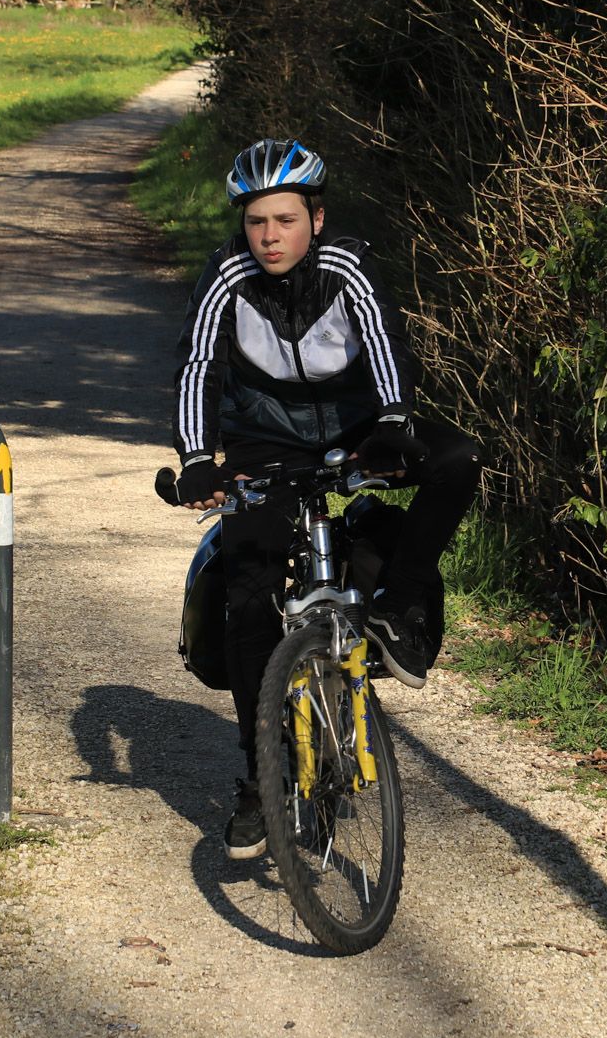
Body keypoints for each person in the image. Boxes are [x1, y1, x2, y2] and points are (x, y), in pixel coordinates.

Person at [168, 137, 481, 859]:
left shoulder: (346, 265)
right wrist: (194, 460)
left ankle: (397, 609)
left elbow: (384, 338)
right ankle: (261, 778)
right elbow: (196, 367)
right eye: (255, 222)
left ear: (315, 216)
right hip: (265, 446)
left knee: (457, 460)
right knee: (248, 591)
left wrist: (397, 421)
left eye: (284, 220)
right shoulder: (225, 277)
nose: (270, 237)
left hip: (357, 428)